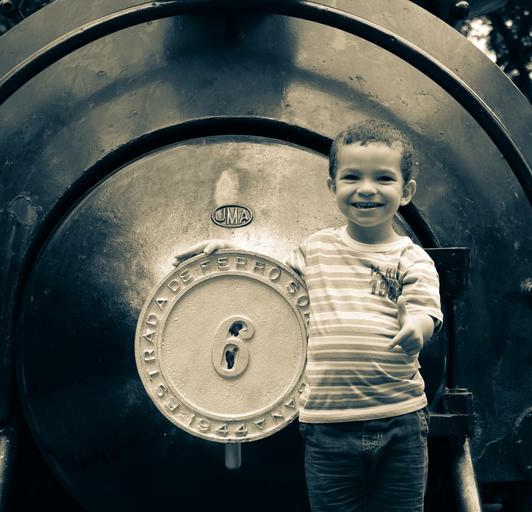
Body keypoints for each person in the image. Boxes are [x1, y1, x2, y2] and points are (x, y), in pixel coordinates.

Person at [174, 119, 442, 511]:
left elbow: (424, 307)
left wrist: (417, 325)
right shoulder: (315, 249)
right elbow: (271, 283)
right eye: (352, 177)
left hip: (399, 419)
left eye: (383, 178)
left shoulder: (411, 257)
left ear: (406, 192)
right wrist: (228, 249)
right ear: (332, 186)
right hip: (326, 424)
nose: (367, 188)